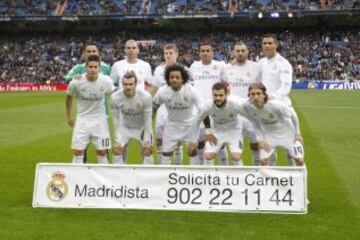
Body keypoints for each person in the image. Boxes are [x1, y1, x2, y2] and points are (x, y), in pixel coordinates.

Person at [64, 42, 111, 163]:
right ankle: (77, 179)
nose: (93, 69)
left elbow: (115, 94)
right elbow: (68, 96)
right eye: (90, 67)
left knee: (102, 151)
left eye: (95, 67)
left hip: (100, 119)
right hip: (82, 119)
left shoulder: (106, 80)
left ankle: (104, 180)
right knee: (78, 151)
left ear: (99, 67)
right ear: (86, 67)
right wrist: (69, 116)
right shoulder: (77, 81)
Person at [238, 83, 305, 166]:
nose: (255, 97)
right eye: (253, 94)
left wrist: (297, 133)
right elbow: (255, 123)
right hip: (269, 136)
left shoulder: (275, 105)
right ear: (249, 95)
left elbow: (293, 115)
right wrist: (260, 140)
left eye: (258, 94)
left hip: (288, 134)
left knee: (300, 161)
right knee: (263, 161)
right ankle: (269, 178)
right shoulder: (247, 106)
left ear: (264, 95)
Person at [259, 34, 298, 166]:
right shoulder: (261, 62)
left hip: (282, 108)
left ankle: (293, 178)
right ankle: (273, 177)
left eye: (270, 43)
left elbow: (286, 87)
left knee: (290, 148)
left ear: (276, 44)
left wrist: (272, 96)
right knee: (270, 147)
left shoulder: (283, 63)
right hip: (265, 109)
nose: (267, 46)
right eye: (264, 43)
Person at [153, 64, 203, 165]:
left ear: (183, 79)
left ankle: (195, 177)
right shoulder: (162, 92)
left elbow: (202, 110)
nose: (174, 79)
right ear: (168, 78)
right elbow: (152, 109)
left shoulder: (191, 90)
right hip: (172, 125)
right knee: (166, 154)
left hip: (190, 126)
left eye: (177, 77)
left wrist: (206, 129)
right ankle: (164, 178)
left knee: (192, 152)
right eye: (171, 77)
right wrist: (147, 129)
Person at [222, 41, 262, 165]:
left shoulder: (256, 67)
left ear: (247, 52)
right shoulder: (226, 68)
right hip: (233, 113)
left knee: (256, 145)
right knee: (235, 151)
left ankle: (257, 173)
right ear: (233, 52)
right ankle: (238, 178)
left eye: (242, 51)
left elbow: (261, 88)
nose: (240, 53)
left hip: (251, 112)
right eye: (237, 51)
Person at [189, 42, 227, 165]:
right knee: (200, 142)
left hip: (216, 109)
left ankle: (224, 167)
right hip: (198, 110)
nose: (205, 53)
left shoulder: (220, 66)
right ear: (199, 53)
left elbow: (227, 85)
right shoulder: (194, 66)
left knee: (217, 141)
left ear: (212, 52)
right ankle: (201, 169)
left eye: (207, 50)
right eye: (202, 51)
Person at [190, 82, 246, 166]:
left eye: (221, 95)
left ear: (226, 95)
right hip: (217, 132)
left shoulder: (235, 103)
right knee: (208, 156)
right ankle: (207, 178)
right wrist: (195, 140)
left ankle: (239, 178)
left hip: (234, 132)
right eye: (215, 95)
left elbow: (250, 114)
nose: (218, 98)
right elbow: (197, 120)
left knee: (236, 157)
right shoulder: (208, 105)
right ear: (212, 95)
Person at [110, 71, 153, 165]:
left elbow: (148, 120)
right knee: (117, 150)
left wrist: (147, 140)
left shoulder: (146, 97)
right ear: (122, 84)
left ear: (136, 84)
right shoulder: (115, 97)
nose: (128, 87)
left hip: (142, 128)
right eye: (125, 84)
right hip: (125, 127)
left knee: (147, 150)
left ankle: (147, 177)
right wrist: (117, 140)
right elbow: (116, 120)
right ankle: (119, 176)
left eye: (131, 84)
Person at [153, 44, 183, 164]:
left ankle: (178, 170)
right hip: (162, 109)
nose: (168, 55)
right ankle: (162, 170)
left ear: (176, 54)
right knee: (159, 141)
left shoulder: (183, 69)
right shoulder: (159, 70)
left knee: (177, 143)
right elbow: (155, 88)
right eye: (166, 53)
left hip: (177, 109)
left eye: (171, 53)